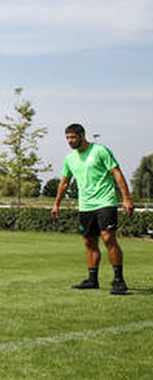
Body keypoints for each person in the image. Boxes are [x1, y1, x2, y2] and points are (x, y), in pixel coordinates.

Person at [51, 123, 134, 294]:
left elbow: (116, 172)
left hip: (105, 202)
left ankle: (118, 280)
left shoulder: (100, 151)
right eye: (67, 138)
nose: (70, 141)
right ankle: (92, 279)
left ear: (82, 135)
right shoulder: (70, 159)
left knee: (108, 238)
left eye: (73, 137)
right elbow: (65, 182)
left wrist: (126, 198)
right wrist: (56, 203)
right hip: (85, 205)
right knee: (89, 242)